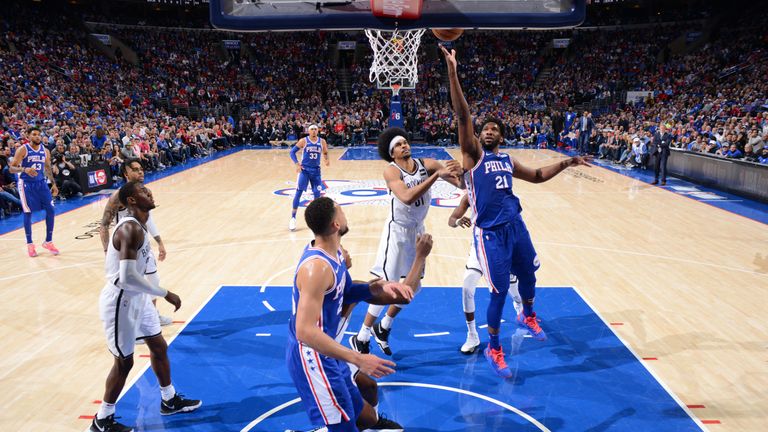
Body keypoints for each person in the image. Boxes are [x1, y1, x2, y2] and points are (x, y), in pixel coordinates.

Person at [441, 46, 591, 378]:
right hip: (490, 234)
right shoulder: (472, 157)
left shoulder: (508, 161)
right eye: (486, 128)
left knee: (530, 273)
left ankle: (528, 314)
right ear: (479, 136)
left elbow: (537, 177)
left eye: (495, 128)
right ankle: (495, 348)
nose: (489, 130)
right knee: (496, 293)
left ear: (502, 136)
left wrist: (567, 161)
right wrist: (453, 72)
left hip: (516, 225)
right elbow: (463, 115)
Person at [287, 196, 416, 432]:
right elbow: (304, 331)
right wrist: (358, 358)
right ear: (336, 224)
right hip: (313, 354)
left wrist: (378, 287)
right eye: (341, 211)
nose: (345, 214)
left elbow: (346, 292)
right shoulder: (316, 268)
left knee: (363, 415)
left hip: (330, 349)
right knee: (343, 427)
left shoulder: (336, 253)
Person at [92, 181, 200, 432]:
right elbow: (127, 277)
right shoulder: (129, 229)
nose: (148, 192)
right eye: (142, 191)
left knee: (158, 346)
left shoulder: (140, 226)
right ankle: (102, 420)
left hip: (138, 298)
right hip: (121, 300)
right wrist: (166, 293)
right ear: (131, 200)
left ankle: (169, 399)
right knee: (124, 362)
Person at [349, 127, 462, 356]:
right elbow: (407, 198)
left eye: (405, 142)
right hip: (397, 232)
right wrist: (435, 176)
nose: (405, 145)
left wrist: (461, 171)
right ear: (393, 153)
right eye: (399, 144)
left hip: (417, 231)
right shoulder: (391, 171)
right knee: (388, 286)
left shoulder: (427, 163)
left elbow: (460, 184)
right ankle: (361, 336)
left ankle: (384, 327)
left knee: (414, 287)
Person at [99, 159, 172, 326]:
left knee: (153, 281)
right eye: (136, 170)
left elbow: (149, 220)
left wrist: (159, 242)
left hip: (143, 244)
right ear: (126, 173)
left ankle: (153, 316)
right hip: (127, 247)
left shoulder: (145, 191)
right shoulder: (118, 196)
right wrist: (107, 252)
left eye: (141, 169)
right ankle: (129, 323)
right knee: (131, 287)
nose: (141, 172)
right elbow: (103, 225)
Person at [448, 194, 522, 355]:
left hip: (499, 245)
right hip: (478, 247)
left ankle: (519, 304)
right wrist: (459, 221)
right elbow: (451, 219)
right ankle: (472, 335)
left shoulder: (502, 195)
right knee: (467, 288)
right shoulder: (469, 196)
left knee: (509, 282)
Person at [7, 127, 59, 257]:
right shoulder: (23, 149)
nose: (37, 137)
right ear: (28, 136)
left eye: (39, 134)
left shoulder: (45, 150)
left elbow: (47, 168)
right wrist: (24, 169)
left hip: (41, 183)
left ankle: (48, 241)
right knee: (28, 212)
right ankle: (30, 244)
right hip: (26, 185)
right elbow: (11, 168)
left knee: (51, 210)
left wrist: (53, 184)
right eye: (34, 134)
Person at [289, 124, 329, 231]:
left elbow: (325, 152)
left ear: (318, 131)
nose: (314, 131)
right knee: (298, 193)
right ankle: (293, 218)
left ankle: (316, 220)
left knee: (317, 195)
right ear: (308, 131)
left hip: (316, 171)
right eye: (312, 129)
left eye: (316, 129)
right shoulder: (303, 141)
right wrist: (297, 164)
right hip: (305, 171)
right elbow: (292, 152)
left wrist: (326, 159)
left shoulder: (322, 141)